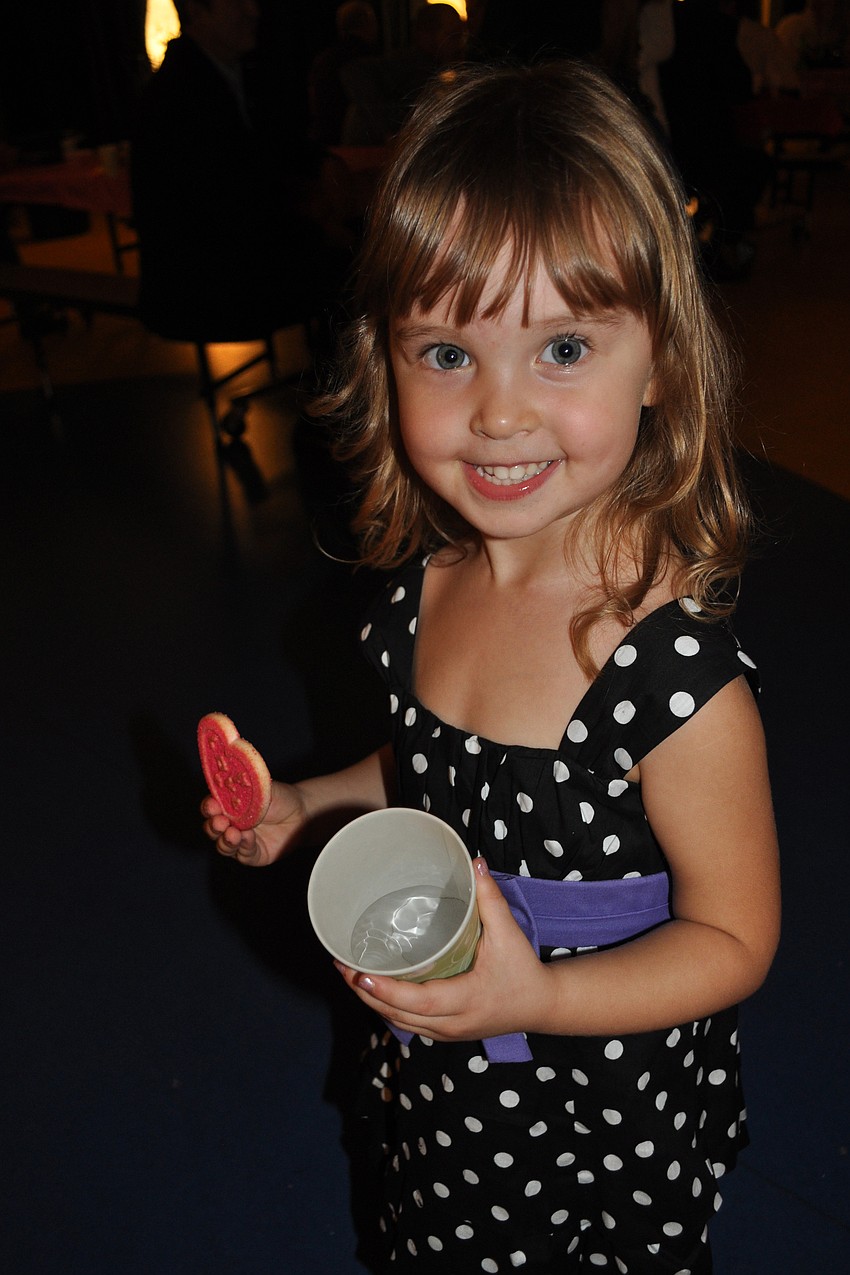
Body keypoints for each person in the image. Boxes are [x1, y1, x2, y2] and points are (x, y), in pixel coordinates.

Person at [202, 61, 780, 1273]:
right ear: (384, 358)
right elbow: (427, 769)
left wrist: (538, 1005)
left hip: (595, 1089)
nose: (499, 412)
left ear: (662, 360)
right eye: (447, 354)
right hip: (449, 1072)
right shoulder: (430, 589)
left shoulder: (672, 681)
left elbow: (734, 940)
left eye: (562, 346)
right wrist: (307, 804)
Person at [131, 0, 346, 343]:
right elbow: (222, 206)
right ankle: (344, 388)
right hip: (203, 287)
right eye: (238, 2)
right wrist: (314, 213)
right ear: (197, 11)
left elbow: (277, 146)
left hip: (230, 264)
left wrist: (324, 165)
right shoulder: (176, 96)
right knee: (359, 272)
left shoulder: (232, 72)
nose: (254, 11)